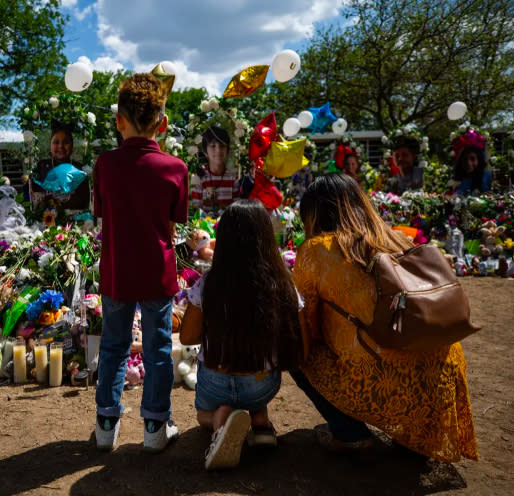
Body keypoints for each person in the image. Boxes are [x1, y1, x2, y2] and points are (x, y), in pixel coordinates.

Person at [292, 173, 478, 462]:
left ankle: (349, 434)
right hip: (441, 382)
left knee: (296, 350)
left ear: (314, 214)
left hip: (381, 380)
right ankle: (415, 435)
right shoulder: (396, 238)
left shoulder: (315, 252)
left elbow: (308, 327)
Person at [93, 73, 188, 452]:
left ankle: (105, 425)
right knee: (158, 348)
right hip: (156, 270)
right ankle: (154, 426)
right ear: (162, 124)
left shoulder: (105, 165)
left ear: (119, 120)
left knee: (114, 346)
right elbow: (170, 224)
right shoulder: (175, 168)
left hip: (117, 270)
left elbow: (104, 215)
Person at [180, 200, 303, 470]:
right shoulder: (281, 282)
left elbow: (187, 339)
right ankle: (260, 420)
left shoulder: (209, 283)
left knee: (202, 415)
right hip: (261, 385)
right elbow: (295, 333)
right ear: (266, 237)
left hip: (215, 383)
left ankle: (219, 420)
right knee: (255, 394)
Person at [30, 126, 90, 210]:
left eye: (65, 142)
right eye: (56, 142)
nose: (61, 146)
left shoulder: (80, 169)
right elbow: (33, 197)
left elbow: (85, 201)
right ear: (50, 146)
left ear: (72, 145)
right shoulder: (41, 167)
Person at [190, 126, 239, 214]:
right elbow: (196, 209)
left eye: (222, 145)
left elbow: (236, 209)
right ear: (205, 152)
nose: (218, 150)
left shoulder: (233, 179)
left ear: (227, 150)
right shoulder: (199, 178)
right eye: (213, 146)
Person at [452, 129, 491, 195]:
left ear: (479, 160)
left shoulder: (488, 177)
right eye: (465, 159)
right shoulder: (459, 179)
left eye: (472, 159)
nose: (468, 163)